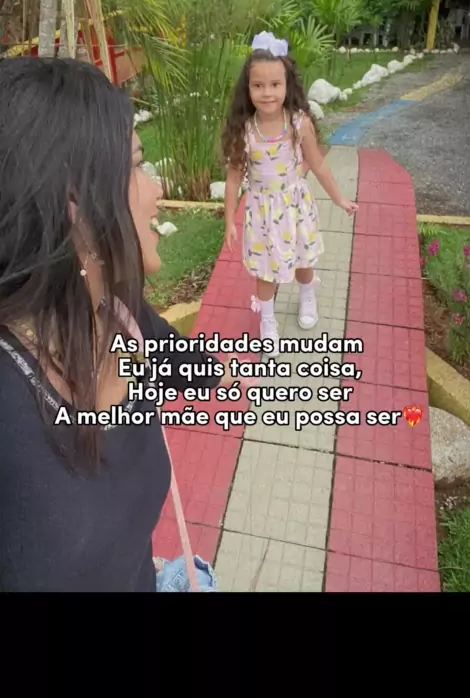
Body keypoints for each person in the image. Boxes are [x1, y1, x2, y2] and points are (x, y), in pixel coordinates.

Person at [0, 56, 254, 592]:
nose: (155, 189)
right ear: (74, 203)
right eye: (138, 166)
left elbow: (192, 368)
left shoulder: (119, 316)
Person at [222, 32, 358, 356]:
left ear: (287, 85)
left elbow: (319, 166)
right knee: (265, 271)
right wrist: (229, 221)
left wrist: (339, 198)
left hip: (295, 208)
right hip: (262, 215)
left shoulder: (299, 123)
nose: (267, 92)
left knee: (303, 260)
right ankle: (267, 320)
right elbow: (233, 180)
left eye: (275, 84)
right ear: (248, 88)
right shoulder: (245, 131)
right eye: (258, 85)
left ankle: (307, 295)